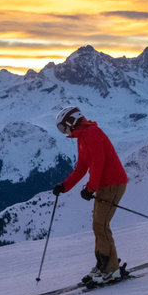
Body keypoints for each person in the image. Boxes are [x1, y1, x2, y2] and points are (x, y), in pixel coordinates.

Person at [52, 106, 130, 284]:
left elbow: (98, 162)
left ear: (72, 122)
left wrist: (90, 187)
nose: (64, 131)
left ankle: (110, 269)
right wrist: (64, 186)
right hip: (106, 185)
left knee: (100, 225)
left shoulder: (92, 134)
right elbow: (82, 167)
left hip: (113, 183)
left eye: (63, 127)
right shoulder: (82, 137)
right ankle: (105, 265)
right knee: (99, 225)